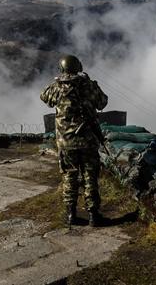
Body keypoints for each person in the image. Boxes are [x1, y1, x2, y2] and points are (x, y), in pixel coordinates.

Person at [40, 54, 109, 226]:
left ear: (62, 69)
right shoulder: (88, 86)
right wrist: (90, 84)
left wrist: (58, 82)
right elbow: (103, 102)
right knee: (90, 177)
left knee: (69, 176)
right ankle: (93, 215)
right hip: (88, 141)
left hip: (66, 142)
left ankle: (71, 214)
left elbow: (44, 96)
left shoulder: (57, 88)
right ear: (78, 67)